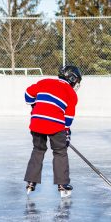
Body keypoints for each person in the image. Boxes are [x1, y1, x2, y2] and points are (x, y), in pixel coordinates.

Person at [24, 65, 82, 195]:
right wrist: (67, 133)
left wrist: (34, 104)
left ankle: (30, 182)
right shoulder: (71, 93)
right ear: (72, 78)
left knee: (38, 150)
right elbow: (68, 118)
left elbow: (28, 94)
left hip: (36, 122)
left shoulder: (45, 82)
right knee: (60, 152)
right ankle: (62, 185)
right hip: (56, 125)